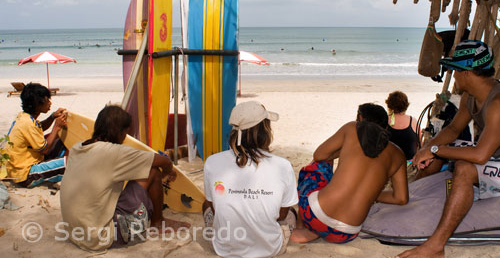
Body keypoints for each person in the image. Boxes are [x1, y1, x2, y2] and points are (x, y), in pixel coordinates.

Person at [397, 40, 500, 258]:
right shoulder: (470, 98)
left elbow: (480, 156)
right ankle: (410, 200)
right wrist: (428, 148)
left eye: (454, 70)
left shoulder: (497, 104)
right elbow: (453, 130)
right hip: (493, 155)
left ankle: (436, 246)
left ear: (467, 73)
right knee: (437, 151)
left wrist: (435, 150)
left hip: (491, 157)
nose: (452, 75)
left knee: (464, 167)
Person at [60, 105, 190, 251]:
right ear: (121, 133)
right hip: (99, 238)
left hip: (73, 232)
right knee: (152, 171)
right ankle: (158, 222)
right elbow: (164, 161)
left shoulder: (78, 147)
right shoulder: (114, 152)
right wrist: (168, 171)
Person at [291, 103, 408, 244]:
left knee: (319, 164)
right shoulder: (398, 154)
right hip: (345, 233)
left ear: (360, 118)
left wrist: (345, 150)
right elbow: (401, 198)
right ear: (386, 126)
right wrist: (370, 194)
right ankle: (316, 231)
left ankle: (302, 225)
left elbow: (319, 155)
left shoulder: (352, 128)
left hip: (313, 216)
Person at [202, 101, 298, 257]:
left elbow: (214, 208)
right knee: (291, 212)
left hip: (224, 249)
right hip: (270, 249)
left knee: (206, 203)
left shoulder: (212, 162)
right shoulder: (283, 166)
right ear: (265, 131)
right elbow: (280, 216)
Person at [6, 82, 67, 187]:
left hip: (18, 170)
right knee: (72, 163)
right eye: (47, 100)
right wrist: (56, 127)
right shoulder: (27, 123)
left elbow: (40, 127)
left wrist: (52, 117)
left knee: (60, 142)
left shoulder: (24, 117)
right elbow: (45, 150)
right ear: (37, 103)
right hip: (25, 175)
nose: (50, 103)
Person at [385, 91, 419, 160]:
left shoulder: (385, 120)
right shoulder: (413, 121)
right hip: (409, 164)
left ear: (389, 105)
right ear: (406, 105)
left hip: (389, 162)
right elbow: (420, 143)